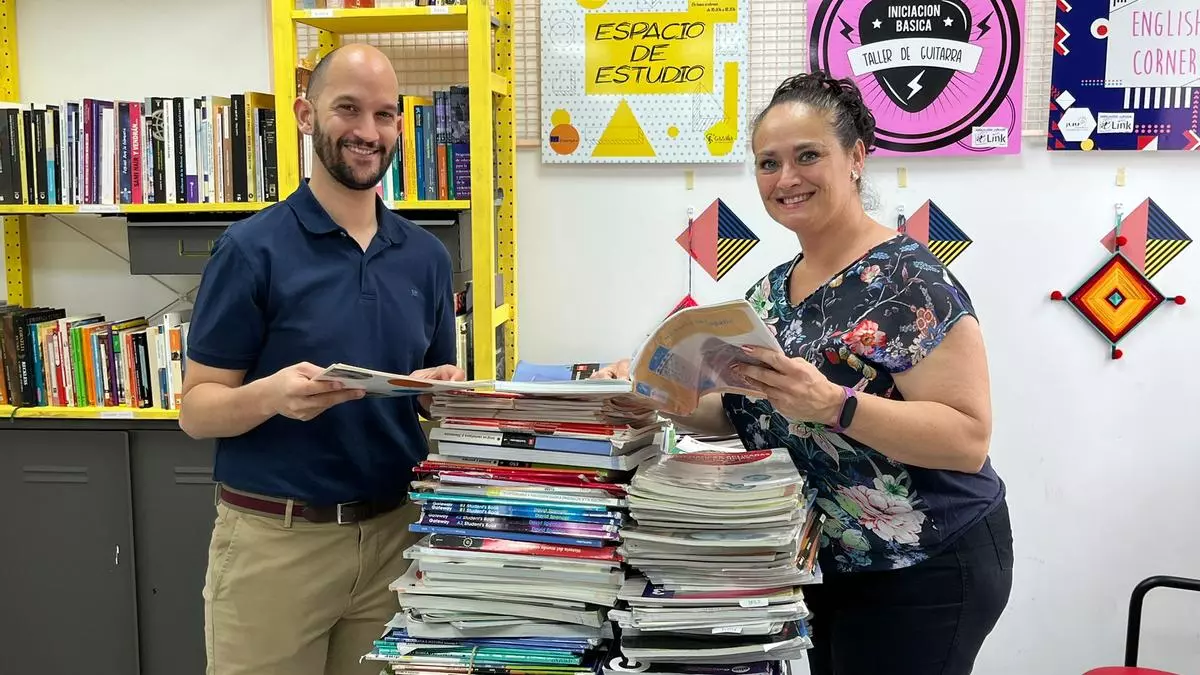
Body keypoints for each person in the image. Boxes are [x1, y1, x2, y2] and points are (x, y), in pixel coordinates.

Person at [594, 72, 1013, 675]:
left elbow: (967, 439)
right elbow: (741, 409)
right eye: (769, 163)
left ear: (856, 158)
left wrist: (835, 405)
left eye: (807, 156)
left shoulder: (911, 281)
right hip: (823, 559)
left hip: (929, 563)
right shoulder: (767, 294)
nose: (786, 178)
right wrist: (654, 396)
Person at [178, 43, 464, 675]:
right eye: (348, 109)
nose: (369, 132)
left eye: (385, 114)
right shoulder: (250, 250)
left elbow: (428, 400)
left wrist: (438, 392)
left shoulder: (426, 257)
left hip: (395, 539)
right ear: (307, 115)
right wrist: (271, 396)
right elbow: (196, 411)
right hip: (276, 548)